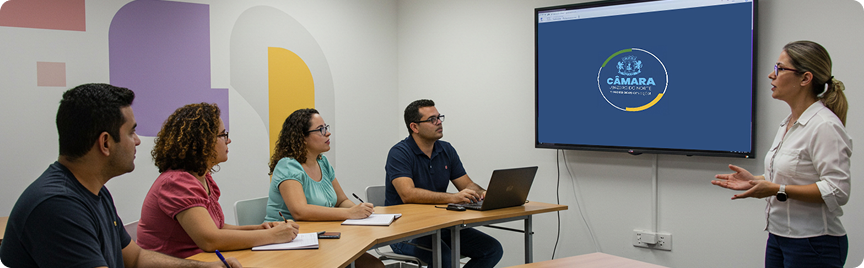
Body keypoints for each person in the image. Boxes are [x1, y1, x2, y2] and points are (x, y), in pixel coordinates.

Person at [0, 83, 240, 268]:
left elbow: (135, 258)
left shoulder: (96, 191)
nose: (137, 141)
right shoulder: (57, 206)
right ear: (105, 142)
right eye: (131, 132)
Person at [712, 41, 851, 268]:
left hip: (814, 243)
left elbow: (837, 191)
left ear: (805, 79)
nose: (770, 75)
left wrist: (778, 190)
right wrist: (754, 180)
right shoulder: (788, 123)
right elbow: (797, 175)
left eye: (779, 69)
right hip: (778, 236)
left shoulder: (825, 126)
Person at [136, 103, 299, 258]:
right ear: (201, 142)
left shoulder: (202, 177)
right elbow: (210, 240)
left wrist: (260, 229)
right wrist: (272, 235)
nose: (228, 140)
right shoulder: (176, 182)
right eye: (223, 135)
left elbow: (217, 228)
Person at [385, 99, 503, 268]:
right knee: (444, 257)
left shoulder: (446, 149)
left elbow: (467, 185)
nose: (439, 122)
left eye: (439, 117)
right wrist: (453, 198)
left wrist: (485, 193)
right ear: (414, 127)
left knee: (492, 249)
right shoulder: (399, 153)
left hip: (440, 226)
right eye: (432, 119)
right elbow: (407, 194)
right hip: (405, 231)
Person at [265, 108, 384, 268]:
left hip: (321, 236)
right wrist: (350, 213)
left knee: (375, 266)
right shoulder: (288, 165)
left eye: (326, 128)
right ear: (302, 138)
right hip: (289, 241)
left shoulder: (323, 162)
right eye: (321, 130)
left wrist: (362, 211)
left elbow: (341, 201)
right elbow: (300, 211)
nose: (327, 133)